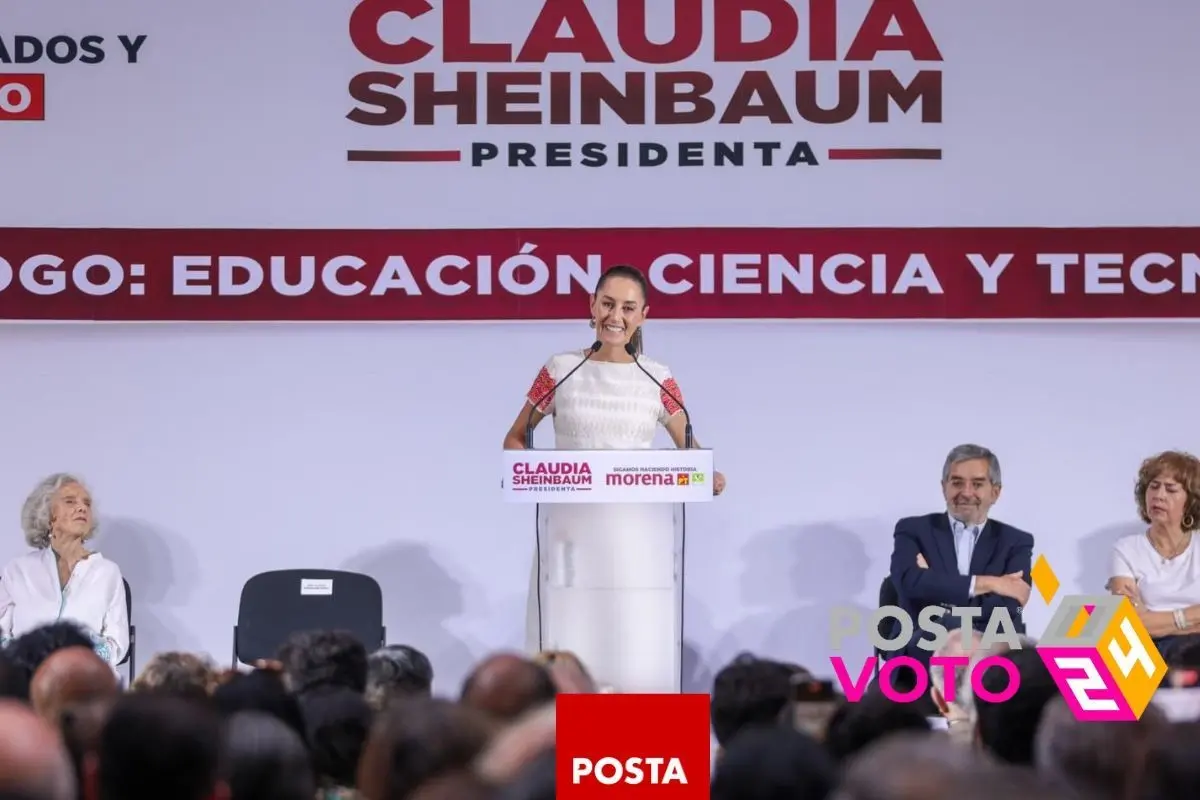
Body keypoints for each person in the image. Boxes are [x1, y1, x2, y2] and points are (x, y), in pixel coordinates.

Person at [502, 264, 725, 693]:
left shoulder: (656, 377)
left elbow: (689, 447)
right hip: (568, 533)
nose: (615, 316)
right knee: (573, 633)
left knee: (631, 637)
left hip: (637, 538)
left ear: (643, 314)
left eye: (627, 307)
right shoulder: (561, 369)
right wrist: (524, 468)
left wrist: (707, 474)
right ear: (591, 305)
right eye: (607, 304)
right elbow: (515, 438)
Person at [887, 444, 1033, 662]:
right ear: (944, 487)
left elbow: (1009, 608)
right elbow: (909, 584)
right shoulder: (913, 530)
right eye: (957, 483)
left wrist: (936, 587)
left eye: (977, 484)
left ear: (995, 492)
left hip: (987, 652)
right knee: (951, 633)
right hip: (919, 650)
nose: (966, 492)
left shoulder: (1016, 541)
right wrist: (991, 583)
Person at [0, 474, 129, 667]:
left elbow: (116, 645)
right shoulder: (18, 571)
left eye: (87, 503)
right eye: (70, 501)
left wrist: (77, 662)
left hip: (84, 680)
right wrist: (26, 661)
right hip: (24, 679)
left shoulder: (107, 573)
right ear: (48, 515)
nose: (82, 507)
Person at [1107, 450, 1200, 662]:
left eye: (1171, 489)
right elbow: (1132, 624)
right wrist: (1191, 617)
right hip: (1144, 651)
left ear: (1191, 501)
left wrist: (1155, 620)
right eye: (1154, 486)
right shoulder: (1125, 549)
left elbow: (1146, 622)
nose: (1159, 495)